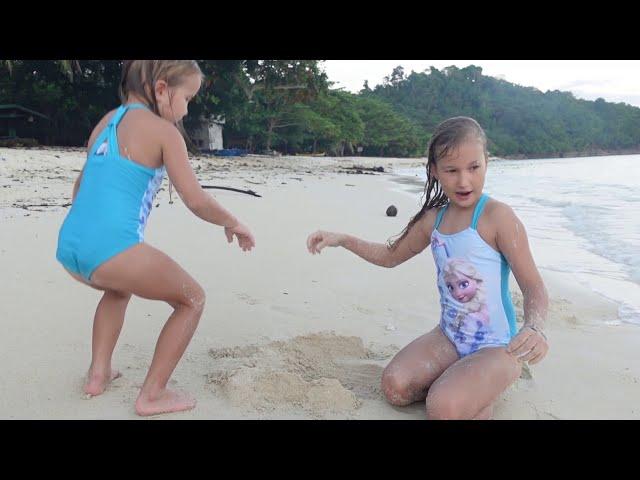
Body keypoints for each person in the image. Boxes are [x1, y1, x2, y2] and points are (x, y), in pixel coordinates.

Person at [306, 116, 548, 419]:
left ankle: (481, 388)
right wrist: (342, 239)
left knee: (442, 407)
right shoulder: (433, 220)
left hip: (497, 346)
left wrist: (535, 327)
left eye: (474, 168)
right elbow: (389, 256)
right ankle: (464, 386)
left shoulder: (498, 217)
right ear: (434, 171)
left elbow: (533, 286)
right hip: (449, 336)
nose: (464, 181)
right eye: (451, 170)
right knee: (395, 386)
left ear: (486, 162)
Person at [56, 60, 255, 416]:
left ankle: (98, 374)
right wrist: (232, 222)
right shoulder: (165, 134)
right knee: (192, 299)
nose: (187, 108)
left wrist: (90, 236)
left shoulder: (105, 123)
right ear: (162, 89)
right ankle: (153, 394)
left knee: (118, 288)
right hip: (111, 248)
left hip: (71, 245)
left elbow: (81, 186)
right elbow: (195, 199)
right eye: (188, 98)